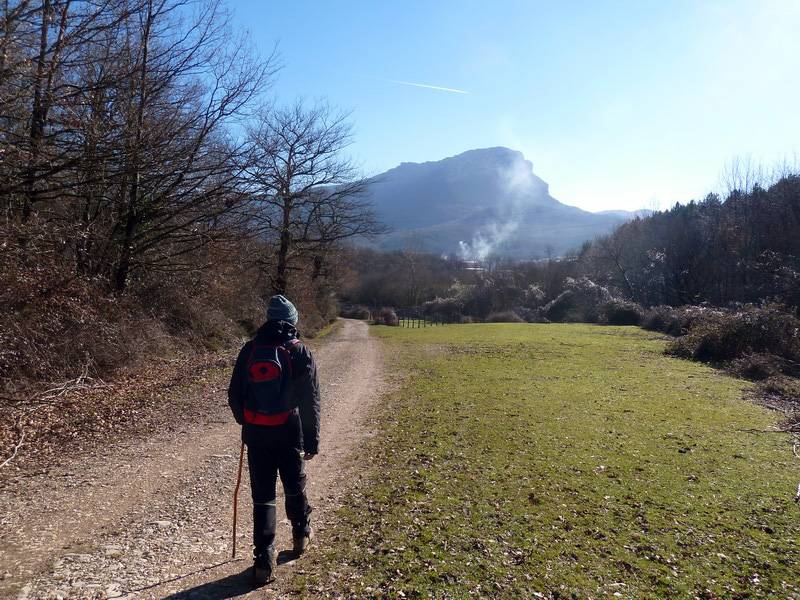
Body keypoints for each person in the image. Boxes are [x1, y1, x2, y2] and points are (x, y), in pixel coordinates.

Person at [227, 295, 321, 584]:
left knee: (263, 496)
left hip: (257, 434)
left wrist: (248, 421)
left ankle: (263, 560)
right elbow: (310, 400)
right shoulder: (298, 351)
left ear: (268, 320)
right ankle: (300, 535)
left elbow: (234, 395)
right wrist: (311, 441)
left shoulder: (251, 349)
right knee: (294, 484)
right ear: (292, 320)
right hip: (289, 430)